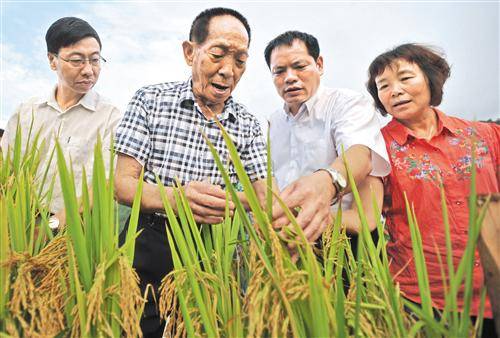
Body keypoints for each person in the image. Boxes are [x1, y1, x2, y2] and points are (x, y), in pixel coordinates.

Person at [114, 8, 268, 337]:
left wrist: (224, 201)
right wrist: (177, 198)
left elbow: (262, 196)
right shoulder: (150, 100)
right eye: (217, 54)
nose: (228, 70)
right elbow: (122, 184)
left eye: (240, 60)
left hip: (209, 247)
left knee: (203, 326)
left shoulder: (248, 124)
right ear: (190, 52)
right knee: (134, 327)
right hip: (148, 239)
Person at [367, 43, 499, 336]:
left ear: (430, 78)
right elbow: (366, 215)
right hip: (427, 299)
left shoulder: (485, 135)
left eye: (405, 78)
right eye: (383, 86)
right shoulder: (377, 148)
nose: (395, 91)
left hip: (495, 287)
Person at [265, 31, 390, 242]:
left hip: (346, 237)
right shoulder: (273, 122)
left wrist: (328, 181)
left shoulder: (347, 104)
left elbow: (360, 153)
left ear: (319, 65)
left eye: (299, 66)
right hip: (291, 236)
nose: (290, 77)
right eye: (279, 71)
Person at [0, 17, 121, 230]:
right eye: (77, 60)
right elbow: (6, 170)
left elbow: (106, 183)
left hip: (79, 232)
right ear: (52, 60)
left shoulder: (111, 118)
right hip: (20, 225)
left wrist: (52, 225)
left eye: (94, 60)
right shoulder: (26, 112)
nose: (88, 70)